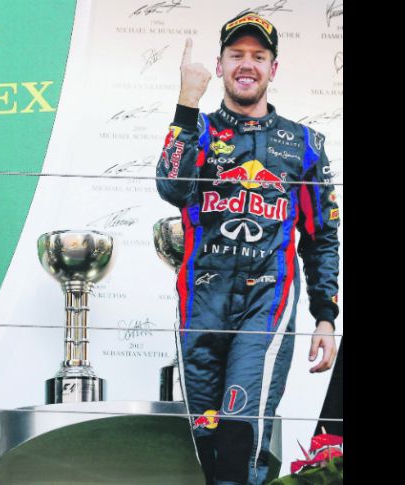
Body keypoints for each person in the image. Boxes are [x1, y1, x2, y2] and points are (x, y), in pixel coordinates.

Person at [155, 11, 339, 485]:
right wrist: (186, 102)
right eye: (237, 54)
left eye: (259, 56)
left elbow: (322, 237)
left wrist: (326, 315)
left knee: (241, 433)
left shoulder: (305, 145)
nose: (247, 64)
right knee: (207, 441)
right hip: (201, 302)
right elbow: (171, 187)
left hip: (266, 302)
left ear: (273, 69)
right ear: (219, 65)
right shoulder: (197, 130)